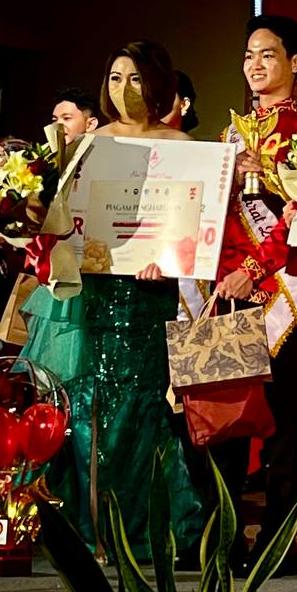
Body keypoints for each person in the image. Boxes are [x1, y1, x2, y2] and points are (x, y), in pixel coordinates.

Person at [79, 42, 202, 557]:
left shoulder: (181, 145)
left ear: (156, 84)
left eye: (134, 78)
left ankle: (159, 529)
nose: (122, 89)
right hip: (103, 290)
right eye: (114, 78)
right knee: (103, 406)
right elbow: (73, 220)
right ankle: (106, 525)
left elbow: (195, 226)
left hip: (152, 293)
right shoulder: (91, 143)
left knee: (148, 404)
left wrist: (171, 259)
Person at [210, 15, 297, 574]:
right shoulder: (230, 134)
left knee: (283, 429)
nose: (255, 64)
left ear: (294, 63)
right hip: (231, 290)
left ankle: (277, 546)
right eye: (249, 54)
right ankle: (224, 540)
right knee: (227, 427)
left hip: (284, 296)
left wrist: (254, 269)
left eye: (268, 54)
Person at [19, 91, 102, 543]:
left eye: (67, 117)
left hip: (90, 290)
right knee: (48, 400)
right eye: (54, 118)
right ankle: (36, 512)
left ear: (91, 123)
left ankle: (90, 520)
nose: (58, 125)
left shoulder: (103, 166)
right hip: (57, 294)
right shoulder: (46, 172)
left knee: (83, 407)